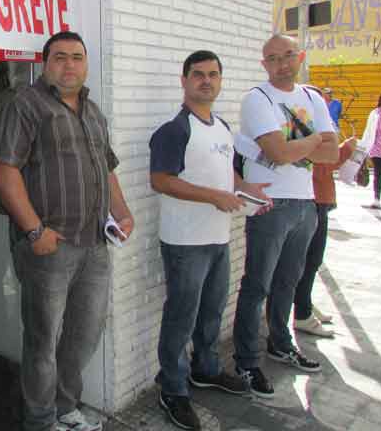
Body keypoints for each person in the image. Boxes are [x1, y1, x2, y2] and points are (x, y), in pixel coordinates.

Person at [0, 31, 134, 431]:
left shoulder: (94, 112)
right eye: (59, 57)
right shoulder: (26, 105)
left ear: (86, 63)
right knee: (43, 341)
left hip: (95, 246)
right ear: (45, 63)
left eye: (76, 57)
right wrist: (35, 231)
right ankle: (40, 420)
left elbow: (106, 168)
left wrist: (123, 213)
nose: (69, 65)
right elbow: (4, 170)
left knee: (84, 335)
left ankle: (66, 407)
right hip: (49, 249)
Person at [149, 50, 270, 430]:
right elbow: (161, 181)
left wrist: (247, 189)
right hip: (184, 242)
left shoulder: (221, 128)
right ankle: (172, 388)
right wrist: (214, 197)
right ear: (184, 81)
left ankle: (205, 369)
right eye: (198, 74)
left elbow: (226, 175)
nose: (206, 80)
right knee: (181, 317)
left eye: (213, 74)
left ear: (220, 81)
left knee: (212, 312)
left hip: (217, 239)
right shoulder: (174, 130)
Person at [232, 34, 338, 398]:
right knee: (257, 284)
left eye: (288, 55)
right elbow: (278, 153)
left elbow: (331, 155)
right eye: (274, 58)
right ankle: (247, 361)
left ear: (300, 57)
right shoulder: (257, 99)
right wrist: (314, 140)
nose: (282, 64)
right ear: (264, 64)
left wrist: (298, 147)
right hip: (270, 205)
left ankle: (280, 343)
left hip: (306, 203)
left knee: (288, 282)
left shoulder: (312, 97)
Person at [293, 119, 357, 338]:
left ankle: (304, 304)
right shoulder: (305, 127)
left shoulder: (312, 124)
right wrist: (346, 149)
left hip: (318, 198)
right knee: (310, 260)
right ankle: (302, 312)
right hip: (314, 199)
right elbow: (322, 164)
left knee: (310, 260)